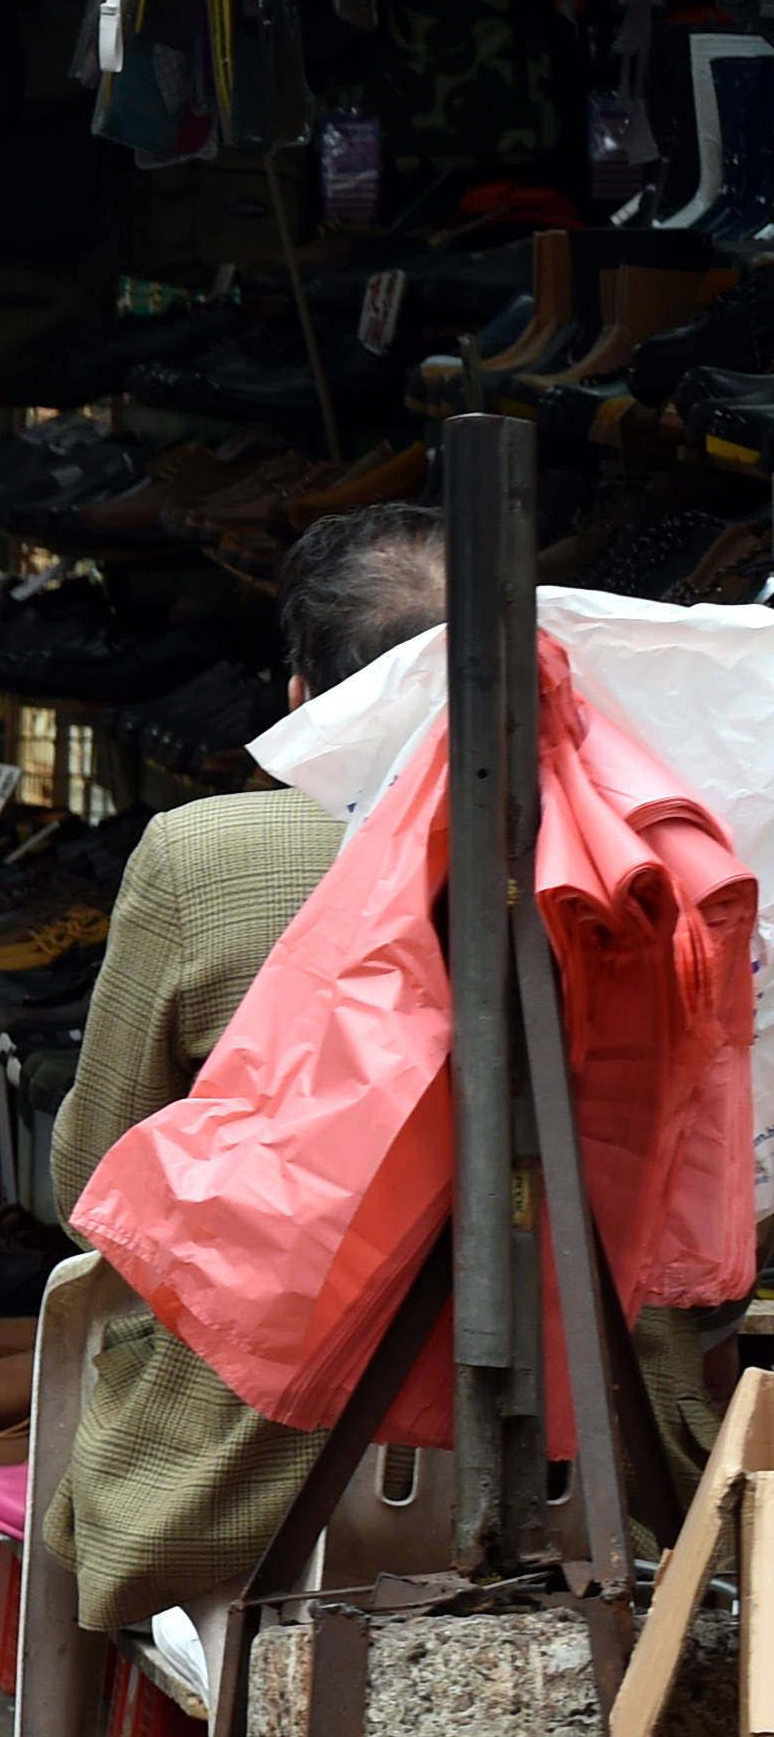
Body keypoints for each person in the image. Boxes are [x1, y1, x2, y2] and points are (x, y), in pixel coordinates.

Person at [42, 502, 722, 1623]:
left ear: (301, 701)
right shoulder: (646, 866)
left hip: (250, 1478)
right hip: (606, 1469)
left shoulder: (203, 856)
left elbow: (92, 1179)